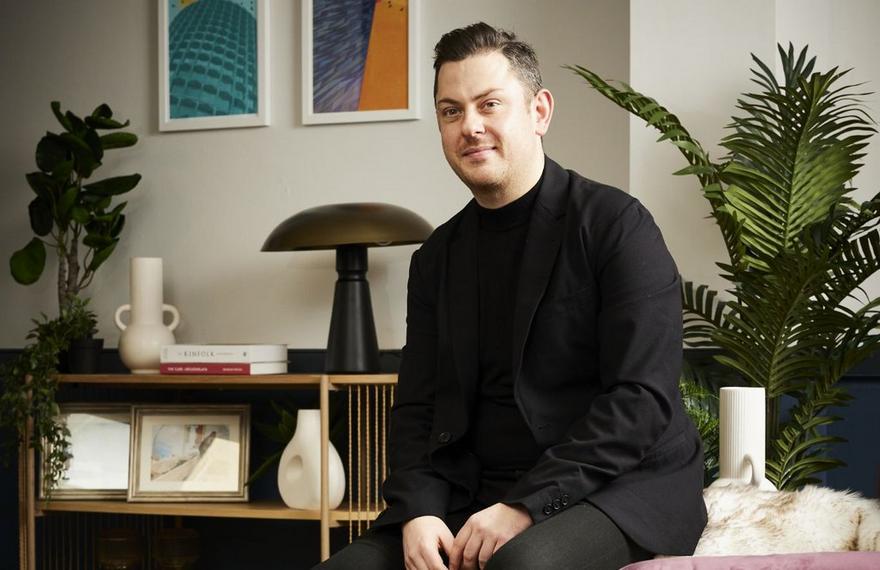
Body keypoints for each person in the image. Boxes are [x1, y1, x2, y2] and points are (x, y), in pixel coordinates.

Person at [315, 22, 707, 570]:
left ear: (539, 111)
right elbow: (417, 407)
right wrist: (419, 511)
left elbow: (640, 399)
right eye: (451, 111)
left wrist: (525, 505)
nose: (470, 126)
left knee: (519, 565)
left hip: (618, 484)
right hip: (473, 489)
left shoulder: (617, 224)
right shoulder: (436, 258)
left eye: (489, 104)